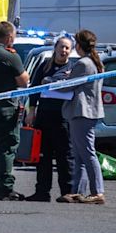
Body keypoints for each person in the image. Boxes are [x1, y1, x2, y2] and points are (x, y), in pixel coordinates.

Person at [0, 21, 29, 201]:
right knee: (7, 149)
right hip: (7, 109)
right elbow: (23, 82)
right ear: (9, 37)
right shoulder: (10, 56)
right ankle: (6, 188)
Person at [25, 36, 75, 202]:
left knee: (64, 156)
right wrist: (31, 110)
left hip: (62, 118)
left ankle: (67, 191)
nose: (64, 51)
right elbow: (34, 88)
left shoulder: (72, 68)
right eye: (61, 47)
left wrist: (51, 81)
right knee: (43, 156)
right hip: (44, 116)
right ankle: (42, 192)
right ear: (55, 47)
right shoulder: (44, 66)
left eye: (67, 48)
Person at [60, 29, 105, 204]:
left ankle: (97, 192)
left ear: (79, 45)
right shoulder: (94, 62)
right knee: (79, 154)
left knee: (87, 153)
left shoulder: (84, 64)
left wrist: (49, 84)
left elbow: (67, 87)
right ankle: (78, 190)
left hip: (82, 113)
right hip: (85, 112)